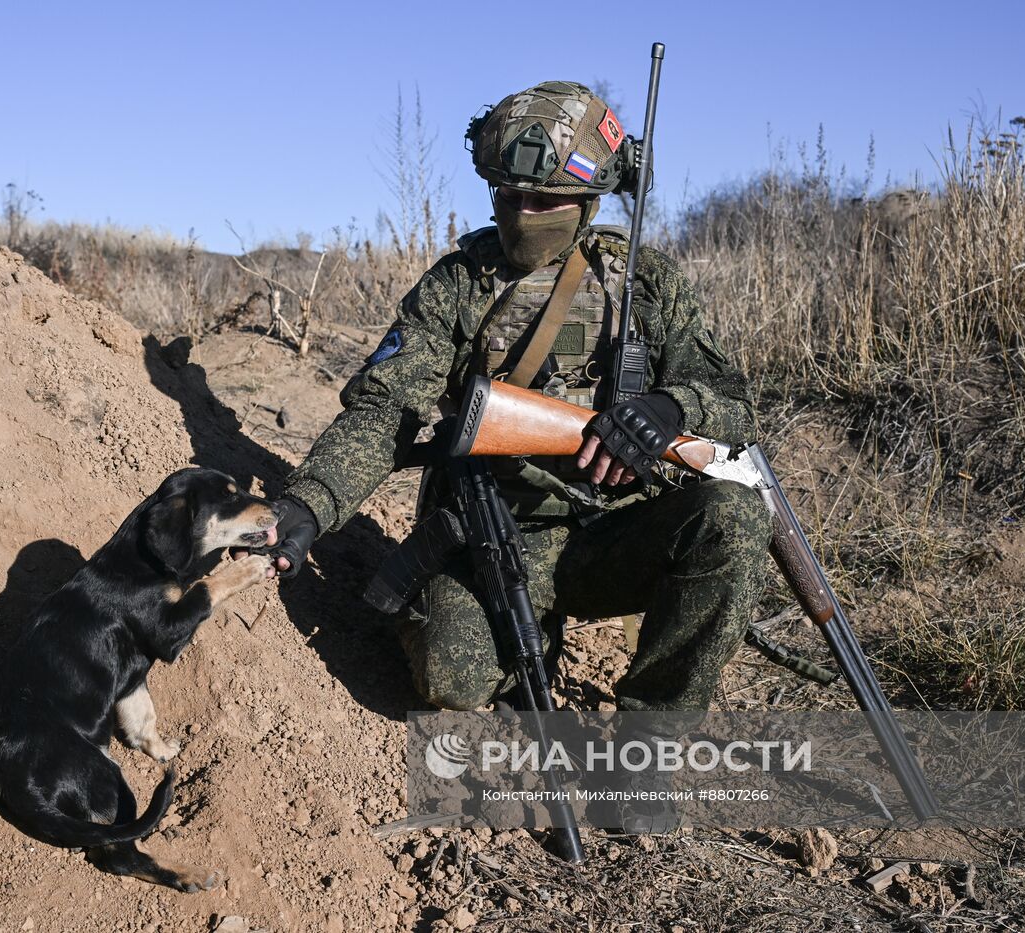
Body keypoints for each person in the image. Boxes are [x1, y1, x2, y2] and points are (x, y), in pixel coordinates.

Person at [264, 81, 770, 718]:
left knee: (734, 515)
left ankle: (651, 746)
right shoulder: (462, 284)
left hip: (616, 535)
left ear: (589, 199)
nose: (524, 213)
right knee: (454, 677)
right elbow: (385, 410)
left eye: (546, 199)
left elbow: (734, 404)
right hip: (494, 533)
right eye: (509, 196)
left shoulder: (643, 283)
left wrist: (671, 408)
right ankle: (519, 651)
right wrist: (309, 503)